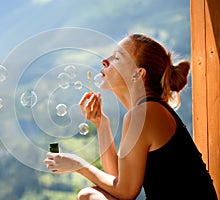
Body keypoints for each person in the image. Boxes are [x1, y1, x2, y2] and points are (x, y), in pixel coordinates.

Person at [44, 34, 218, 200]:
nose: (105, 61)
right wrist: (101, 123)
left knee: (89, 196)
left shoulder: (145, 113)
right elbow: (117, 177)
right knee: (89, 195)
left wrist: (78, 165)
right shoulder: (145, 111)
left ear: (138, 74)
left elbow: (126, 192)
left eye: (117, 58)